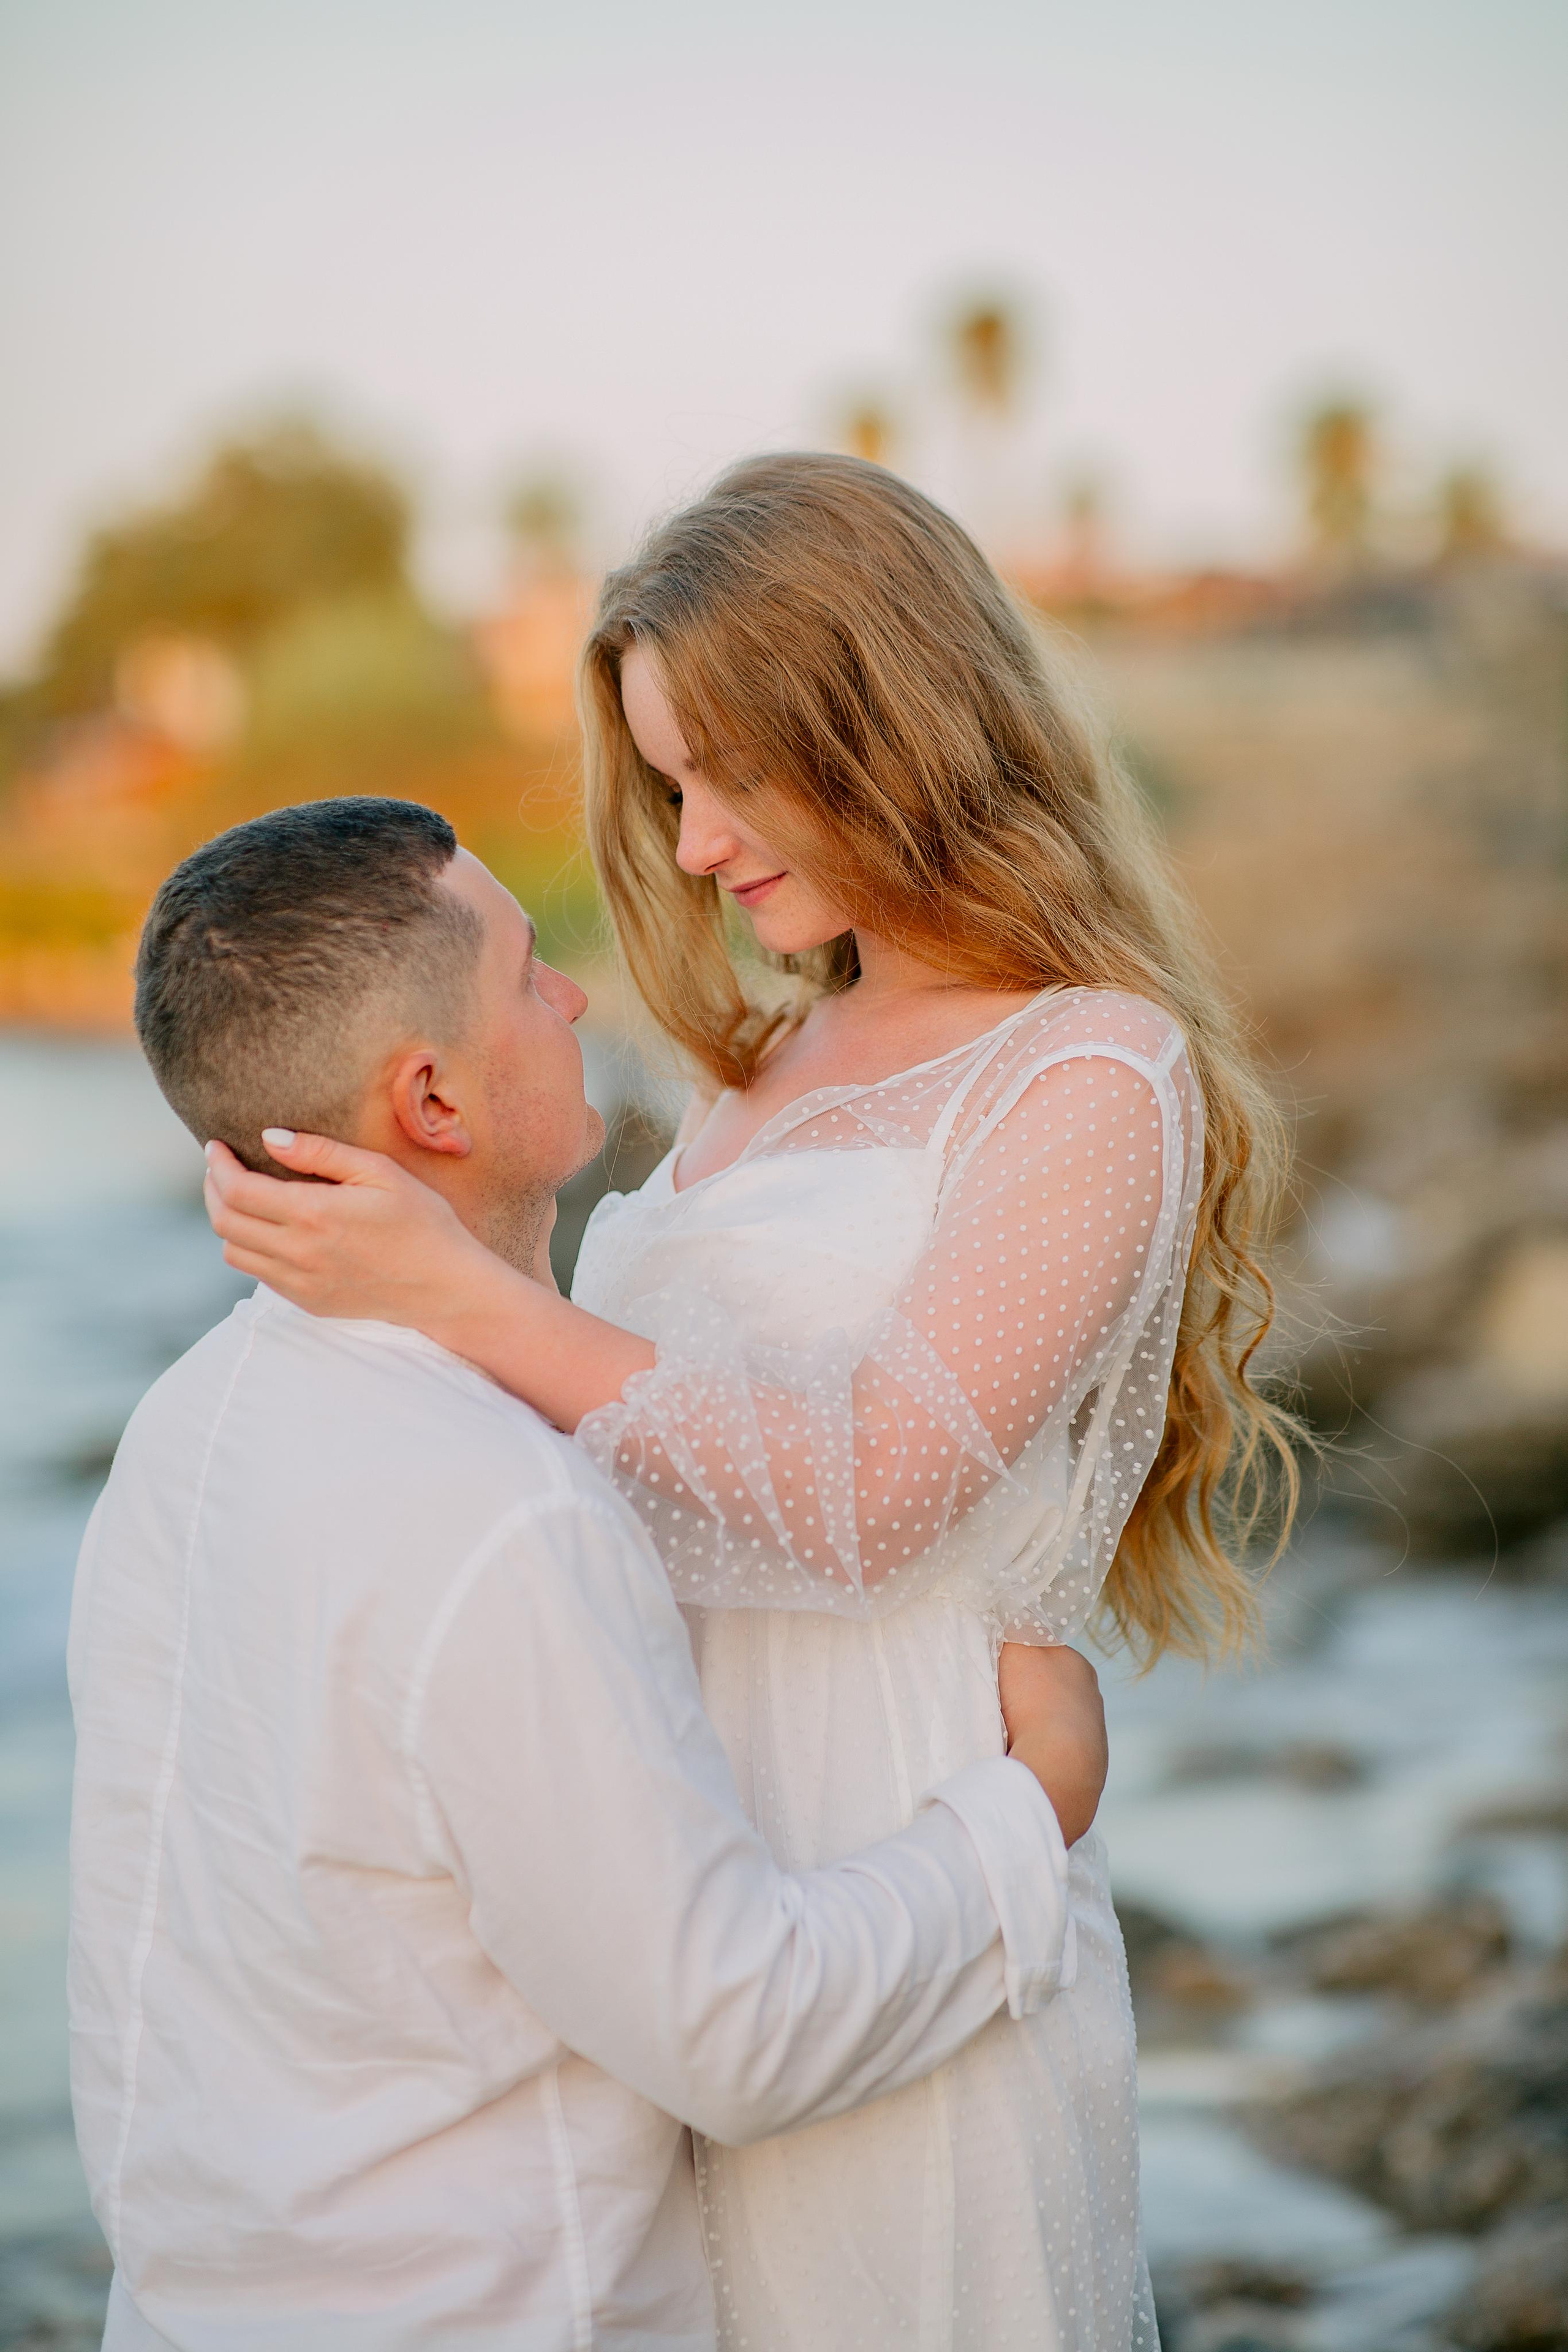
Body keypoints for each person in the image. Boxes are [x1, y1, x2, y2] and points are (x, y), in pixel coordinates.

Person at [203, 456, 1299, 2351]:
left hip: (905, 1854)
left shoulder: (1088, 1072)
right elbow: (597, 1450)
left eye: (726, 775)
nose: (696, 845)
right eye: (668, 787)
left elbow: (871, 1491)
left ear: (889, 727)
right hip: (664, 1883)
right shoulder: (761, 1066)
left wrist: (451, 1288)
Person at [72, 796, 1111, 2352]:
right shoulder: (497, 1512)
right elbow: (739, 2032)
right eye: (523, 974)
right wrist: (1030, 1807)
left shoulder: (186, 1423)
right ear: (431, 1098)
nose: (568, 998)